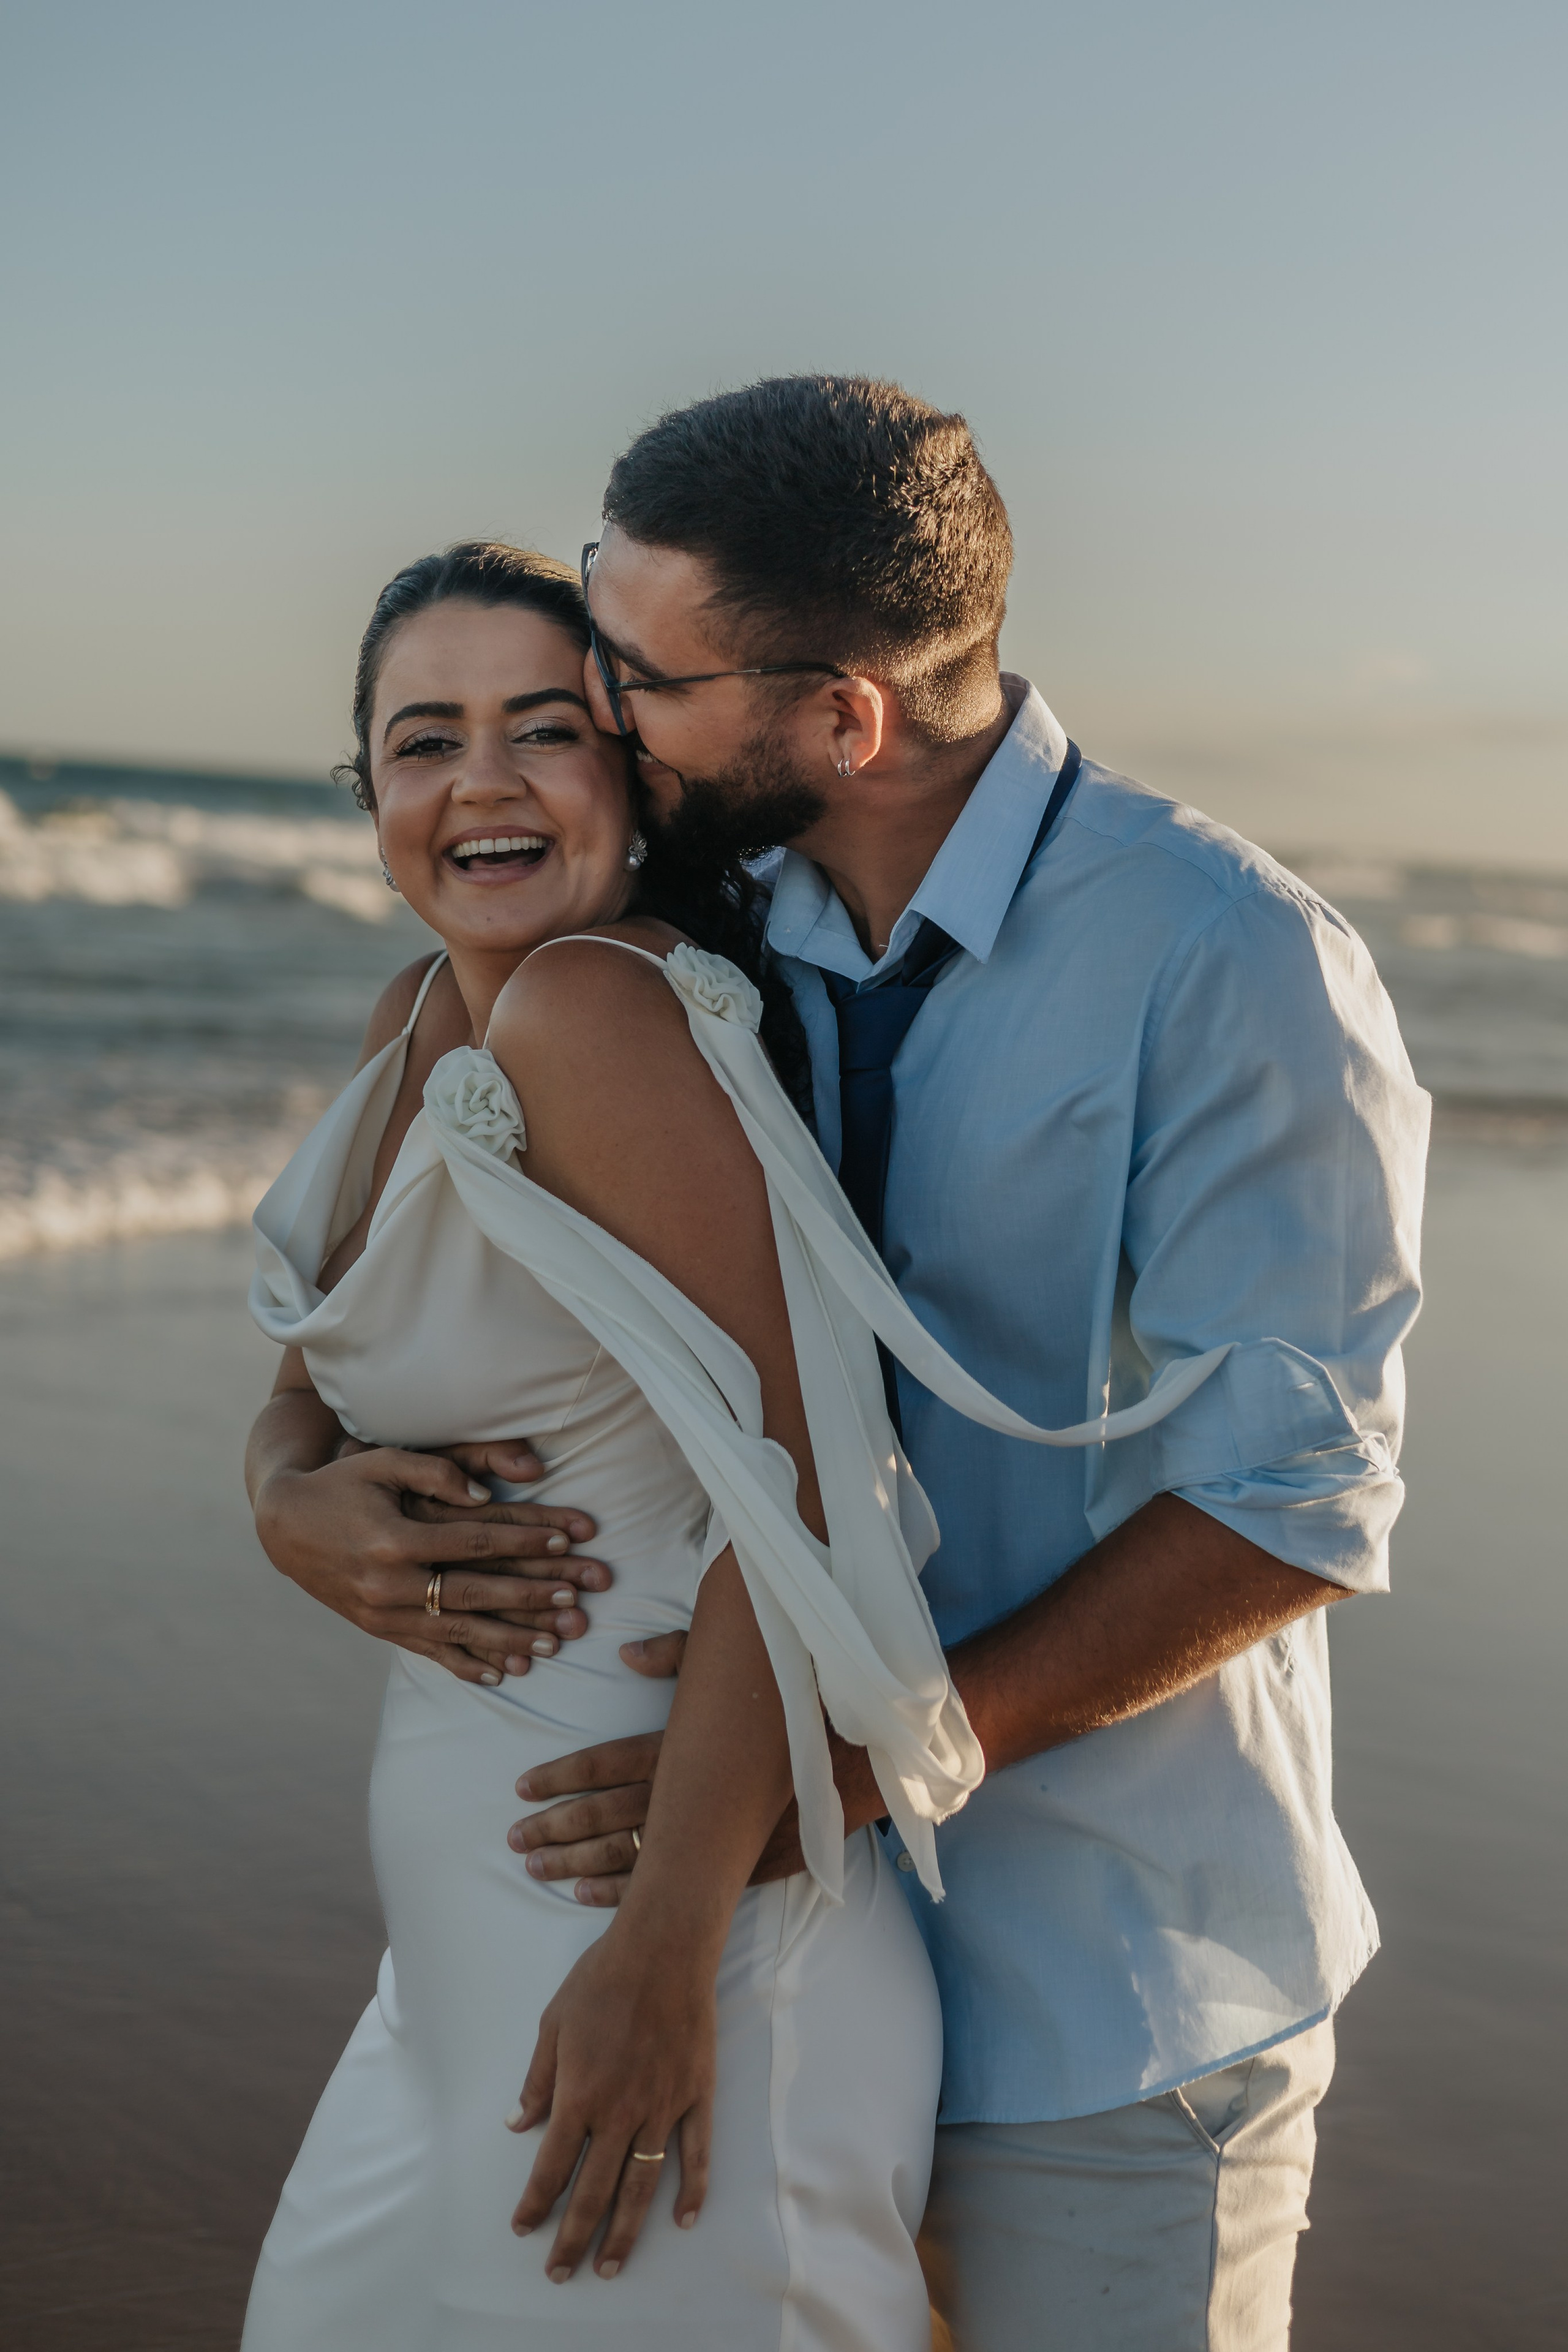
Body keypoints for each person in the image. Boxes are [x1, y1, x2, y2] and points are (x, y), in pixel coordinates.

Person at [252, 379, 1428, 2351]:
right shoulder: (719, 912)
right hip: (746, 1889)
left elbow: (1288, 1506)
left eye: (635, 681)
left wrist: (836, 1788)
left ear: (845, 718)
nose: (607, 711)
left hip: (1104, 1979)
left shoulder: (1229, 958)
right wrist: (285, 1484)